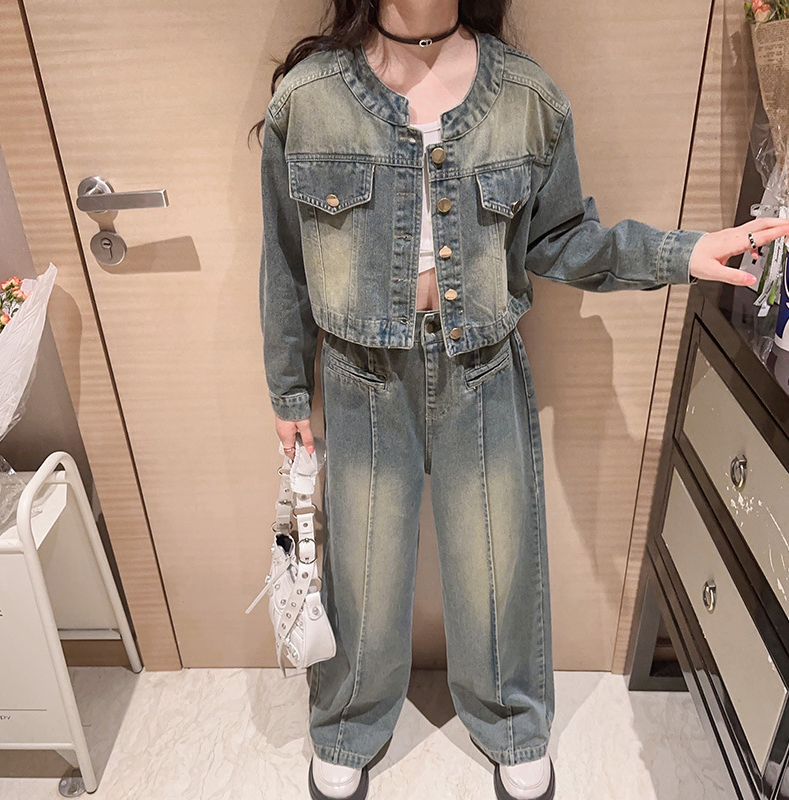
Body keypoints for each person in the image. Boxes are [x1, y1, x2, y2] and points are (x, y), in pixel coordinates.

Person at [252, 3, 789, 799]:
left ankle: (510, 721)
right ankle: (348, 723)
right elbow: (285, 259)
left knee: (498, 562)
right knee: (363, 568)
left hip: (481, 367)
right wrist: (289, 384)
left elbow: (564, 239)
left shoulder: (526, 97)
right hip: (360, 375)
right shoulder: (308, 98)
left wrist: (683, 252)